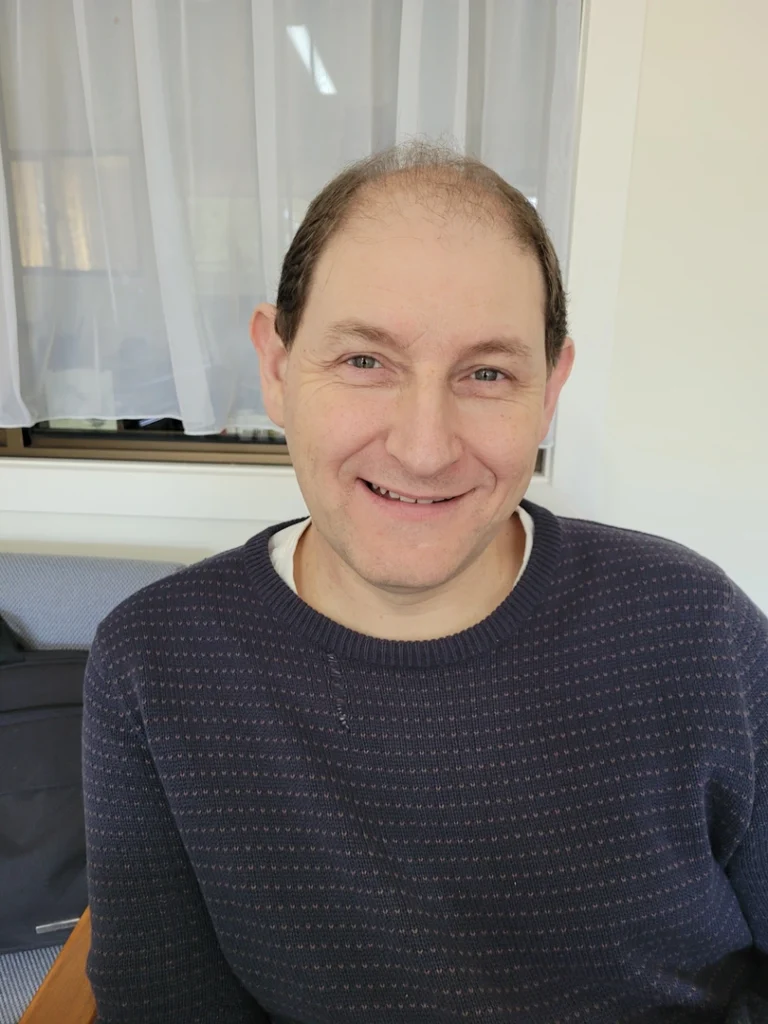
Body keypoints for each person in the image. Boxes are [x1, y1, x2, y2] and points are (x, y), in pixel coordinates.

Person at [83, 142, 768, 1023]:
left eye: (487, 373)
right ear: (278, 366)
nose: (424, 447)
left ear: (549, 389)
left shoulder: (694, 626)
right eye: (366, 361)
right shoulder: (156, 662)